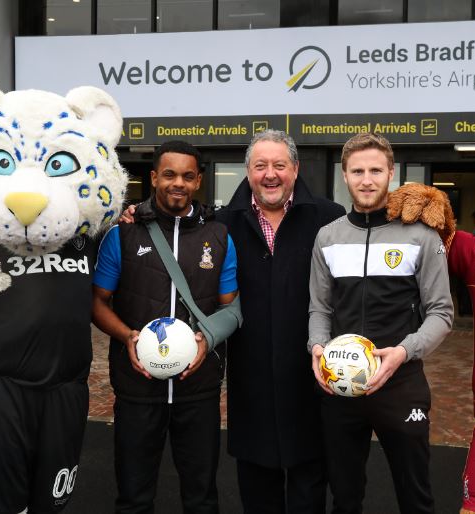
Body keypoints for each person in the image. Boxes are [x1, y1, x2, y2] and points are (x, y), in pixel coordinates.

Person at [308, 133, 453, 514]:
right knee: (345, 498)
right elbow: (319, 309)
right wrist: (317, 348)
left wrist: (404, 352)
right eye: (358, 171)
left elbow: (442, 313)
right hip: (341, 386)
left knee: (416, 498)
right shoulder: (328, 236)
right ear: (345, 176)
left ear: (392, 173)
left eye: (376, 170)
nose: (367, 179)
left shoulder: (422, 235)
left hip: (401, 383)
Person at [92, 140, 239, 514]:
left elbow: (231, 308)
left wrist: (207, 338)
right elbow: (97, 303)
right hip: (137, 387)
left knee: (202, 496)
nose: (179, 183)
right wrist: (127, 336)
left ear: (199, 181)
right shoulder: (122, 234)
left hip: (199, 389)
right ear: (155, 176)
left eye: (188, 176)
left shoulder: (219, 237)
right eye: (170, 174)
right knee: (134, 496)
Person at [215, 130, 345, 513]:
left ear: (296, 169)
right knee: (257, 488)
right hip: (249, 377)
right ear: (248, 171)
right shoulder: (222, 225)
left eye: (279, 165)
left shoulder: (329, 219)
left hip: (312, 374)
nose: (270, 174)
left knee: (309, 486)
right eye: (260, 166)